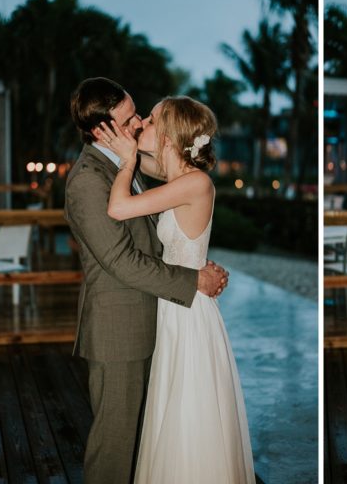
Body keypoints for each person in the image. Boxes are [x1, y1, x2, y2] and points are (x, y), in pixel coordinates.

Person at [66, 77, 229, 484]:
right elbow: (121, 259)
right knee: (115, 447)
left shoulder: (128, 165)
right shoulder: (89, 178)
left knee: (159, 437)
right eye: (131, 117)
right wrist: (192, 279)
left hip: (160, 319)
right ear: (104, 129)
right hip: (120, 328)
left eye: (143, 114)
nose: (139, 122)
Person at [99, 95, 255, 484]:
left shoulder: (194, 182)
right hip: (174, 302)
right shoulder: (177, 177)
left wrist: (128, 157)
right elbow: (149, 168)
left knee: (187, 413)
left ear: (168, 135)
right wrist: (129, 149)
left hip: (188, 314)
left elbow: (118, 207)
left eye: (149, 120)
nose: (140, 125)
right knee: (172, 408)